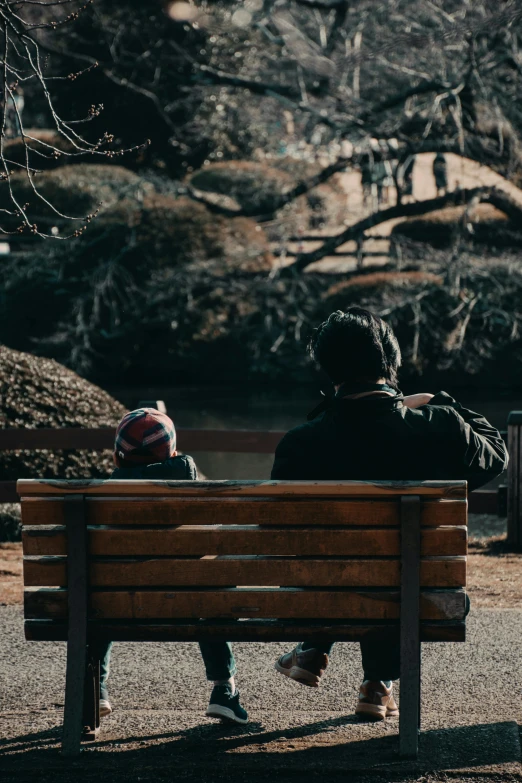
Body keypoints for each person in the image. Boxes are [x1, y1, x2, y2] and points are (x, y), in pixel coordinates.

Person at [271, 308, 508, 722]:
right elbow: (496, 456)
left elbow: (278, 533)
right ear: (392, 362)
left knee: (350, 569)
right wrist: (439, 402)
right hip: (424, 599)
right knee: (397, 572)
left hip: (317, 603)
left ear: (329, 370)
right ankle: (378, 684)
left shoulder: (300, 444)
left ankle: (316, 649)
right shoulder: (439, 428)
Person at [90, 408, 248, 724]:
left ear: (119, 454)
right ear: (171, 450)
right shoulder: (192, 490)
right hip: (186, 602)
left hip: (121, 604)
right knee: (214, 581)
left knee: (95, 588)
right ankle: (223, 690)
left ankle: (94, 689)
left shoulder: (103, 497)